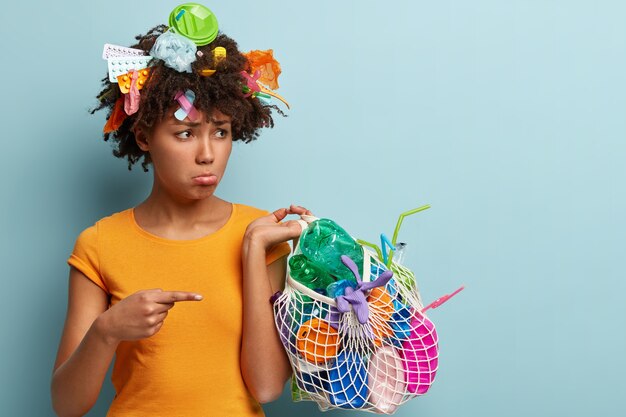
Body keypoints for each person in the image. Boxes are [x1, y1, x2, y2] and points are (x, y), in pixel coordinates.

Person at [50, 5, 308, 416]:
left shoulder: (261, 232)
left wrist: (252, 249)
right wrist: (107, 331)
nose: (208, 155)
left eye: (221, 132)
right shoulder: (99, 244)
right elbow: (66, 405)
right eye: (185, 133)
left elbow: (265, 387)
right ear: (145, 136)